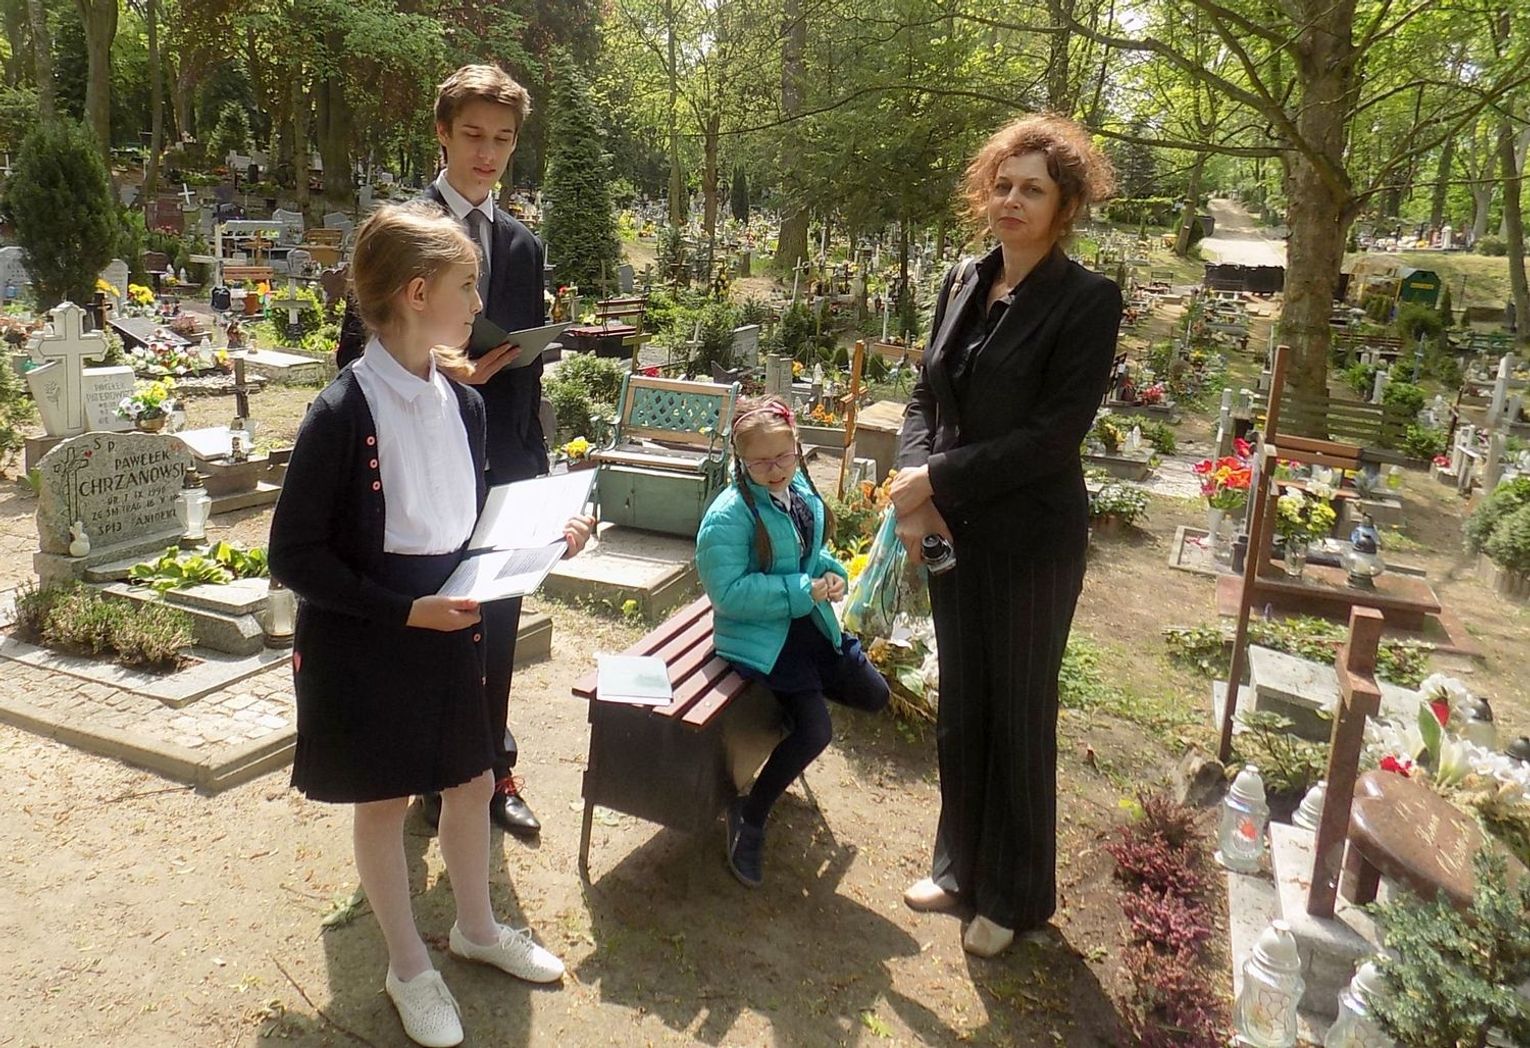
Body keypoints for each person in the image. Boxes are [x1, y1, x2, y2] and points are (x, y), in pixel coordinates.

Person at [270, 203, 591, 1047]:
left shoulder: (463, 402)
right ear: (418, 294)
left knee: (473, 781)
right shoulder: (341, 413)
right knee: (383, 803)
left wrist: (546, 538)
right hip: (368, 633)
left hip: (448, 622)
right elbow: (293, 556)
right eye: (467, 287)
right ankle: (408, 965)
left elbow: (465, 520)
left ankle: (477, 930)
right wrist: (405, 611)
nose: (478, 304)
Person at [891, 113, 1122, 958]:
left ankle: (1015, 897)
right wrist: (914, 493)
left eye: (1033, 189)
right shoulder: (964, 278)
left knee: (1018, 713)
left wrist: (936, 478)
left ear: (1065, 207)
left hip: (1032, 541)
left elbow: (1052, 437)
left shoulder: (1086, 301)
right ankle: (959, 867)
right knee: (962, 706)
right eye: (1002, 185)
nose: (1012, 200)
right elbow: (925, 397)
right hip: (952, 531)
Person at [338, 64, 550, 839]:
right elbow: (354, 358)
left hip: (505, 469)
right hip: (421, 469)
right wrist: (439, 371)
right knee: (433, 625)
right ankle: (426, 774)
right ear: (442, 133)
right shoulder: (401, 231)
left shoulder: (523, 244)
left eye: (503, 139)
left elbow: (525, 370)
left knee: (498, 623)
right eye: (472, 135)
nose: (487, 154)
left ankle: (491, 772)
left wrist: (536, 474)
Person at [695, 395, 890, 887]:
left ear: (797, 446)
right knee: (815, 730)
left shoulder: (796, 487)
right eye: (761, 462)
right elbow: (727, 594)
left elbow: (807, 553)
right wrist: (802, 590)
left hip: (802, 619)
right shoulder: (728, 516)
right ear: (741, 459)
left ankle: (787, 709)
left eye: (784, 456)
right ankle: (750, 816)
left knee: (874, 694)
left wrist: (831, 573)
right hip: (757, 636)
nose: (776, 469)